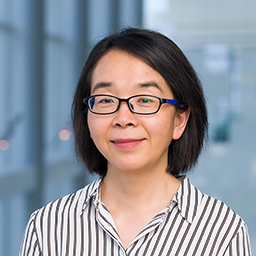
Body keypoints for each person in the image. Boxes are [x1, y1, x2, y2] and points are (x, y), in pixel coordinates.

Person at [19, 27, 253, 255]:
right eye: (106, 100)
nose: (123, 119)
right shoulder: (47, 227)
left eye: (145, 100)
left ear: (179, 120)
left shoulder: (222, 233)